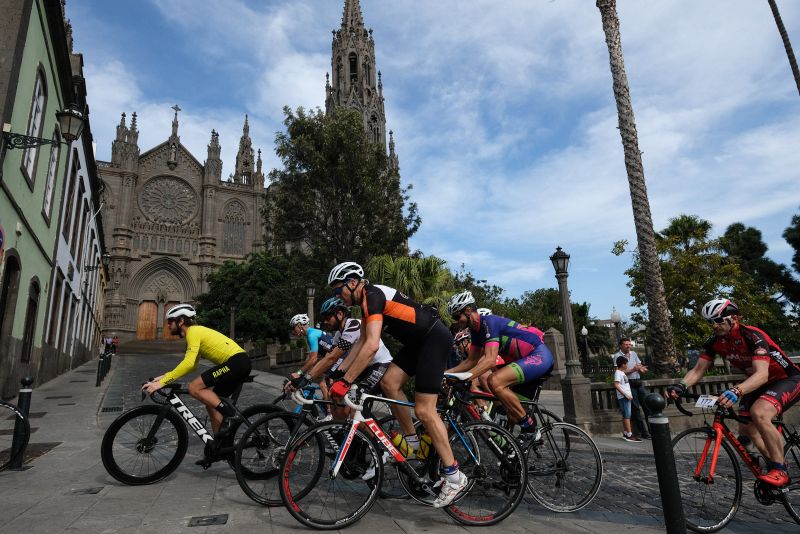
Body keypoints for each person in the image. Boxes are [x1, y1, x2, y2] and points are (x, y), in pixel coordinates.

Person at [326, 261, 468, 507]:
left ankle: (454, 475)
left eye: (338, 291)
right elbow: (362, 341)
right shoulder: (366, 302)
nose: (339, 297)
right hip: (417, 344)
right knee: (389, 382)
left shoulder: (372, 295)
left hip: (433, 339)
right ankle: (412, 441)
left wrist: (347, 381)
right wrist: (340, 373)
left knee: (425, 410)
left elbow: (371, 348)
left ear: (351, 283)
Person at [667, 298, 800, 487]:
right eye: (710, 322)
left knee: (759, 413)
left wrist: (737, 391)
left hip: (787, 379)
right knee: (746, 430)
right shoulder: (715, 342)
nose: (714, 325)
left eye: (719, 320)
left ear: (734, 318)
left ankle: (780, 471)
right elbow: (697, 370)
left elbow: (762, 374)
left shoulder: (753, 336)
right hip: (757, 383)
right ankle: (774, 463)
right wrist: (680, 385)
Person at [141, 304, 252, 463]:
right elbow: (191, 365)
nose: (168, 325)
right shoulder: (194, 334)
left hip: (237, 362)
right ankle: (219, 446)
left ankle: (230, 413)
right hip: (236, 363)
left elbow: (188, 363)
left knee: (194, 387)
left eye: (170, 321)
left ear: (180, 321)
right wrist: (162, 377)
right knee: (211, 401)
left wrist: (163, 383)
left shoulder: (193, 331)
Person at [445, 290, 554, 447]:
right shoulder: (476, 332)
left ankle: (530, 429)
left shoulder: (488, 323)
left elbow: (489, 360)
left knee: (494, 380)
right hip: (526, 361)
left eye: (457, 316)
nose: (456, 321)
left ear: (468, 311)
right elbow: (470, 361)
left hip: (539, 356)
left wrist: (465, 377)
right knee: (511, 410)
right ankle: (516, 455)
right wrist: (445, 374)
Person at [292, 297, 392, 423]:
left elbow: (332, 357)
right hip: (363, 368)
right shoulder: (338, 335)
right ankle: (344, 427)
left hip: (380, 365)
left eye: (328, 318)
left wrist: (305, 378)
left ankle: (369, 437)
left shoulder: (353, 325)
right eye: (324, 319)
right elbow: (330, 357)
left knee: (356, 402)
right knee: (338, 396)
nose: (325, 322)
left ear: (339, 314)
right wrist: (331, 376)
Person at [613, 338, 651, 440]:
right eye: (626, 345)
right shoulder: (617, 356)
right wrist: (633, 369)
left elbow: (639, 366)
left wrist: (642, 369)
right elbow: (619, 372)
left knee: (646, 406)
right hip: (629, 384)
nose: (628, 346)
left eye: (629, 344)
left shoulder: (633, 353)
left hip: (638, 382)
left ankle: (651, 430)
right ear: (621, 345)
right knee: (635, 409)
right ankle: (643, 432)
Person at [614, 356, 641, 442]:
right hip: (624, 397)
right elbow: (616, 384)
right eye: (626, 364)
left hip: (626, 396)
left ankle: (626, 433)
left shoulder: (621, 372)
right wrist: (626, 394)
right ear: (623, 364)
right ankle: (629, 434)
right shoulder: (618, 373)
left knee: (626, 415)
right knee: (627, 415)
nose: (627, 365)